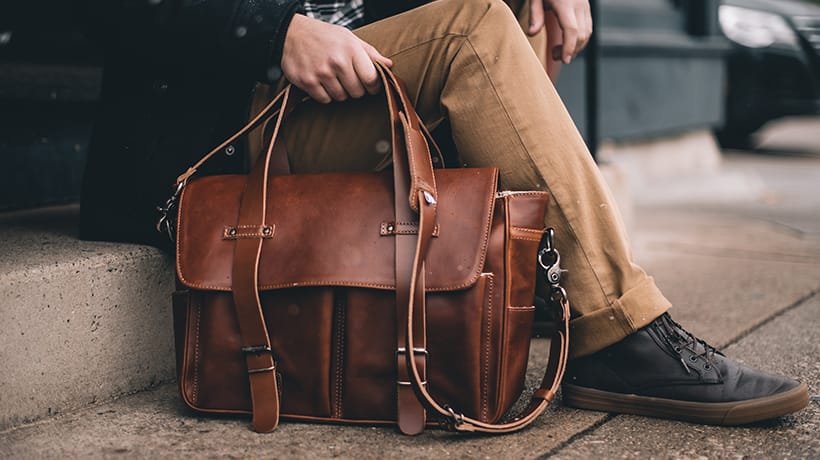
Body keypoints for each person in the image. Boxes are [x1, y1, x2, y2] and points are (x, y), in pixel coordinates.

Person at [74, 0, 808, 425]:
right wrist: (274, 30)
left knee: (505, 10)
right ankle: (614, 327)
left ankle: (543, 294)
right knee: (471, 29)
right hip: (221, 124)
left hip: (339, 90)